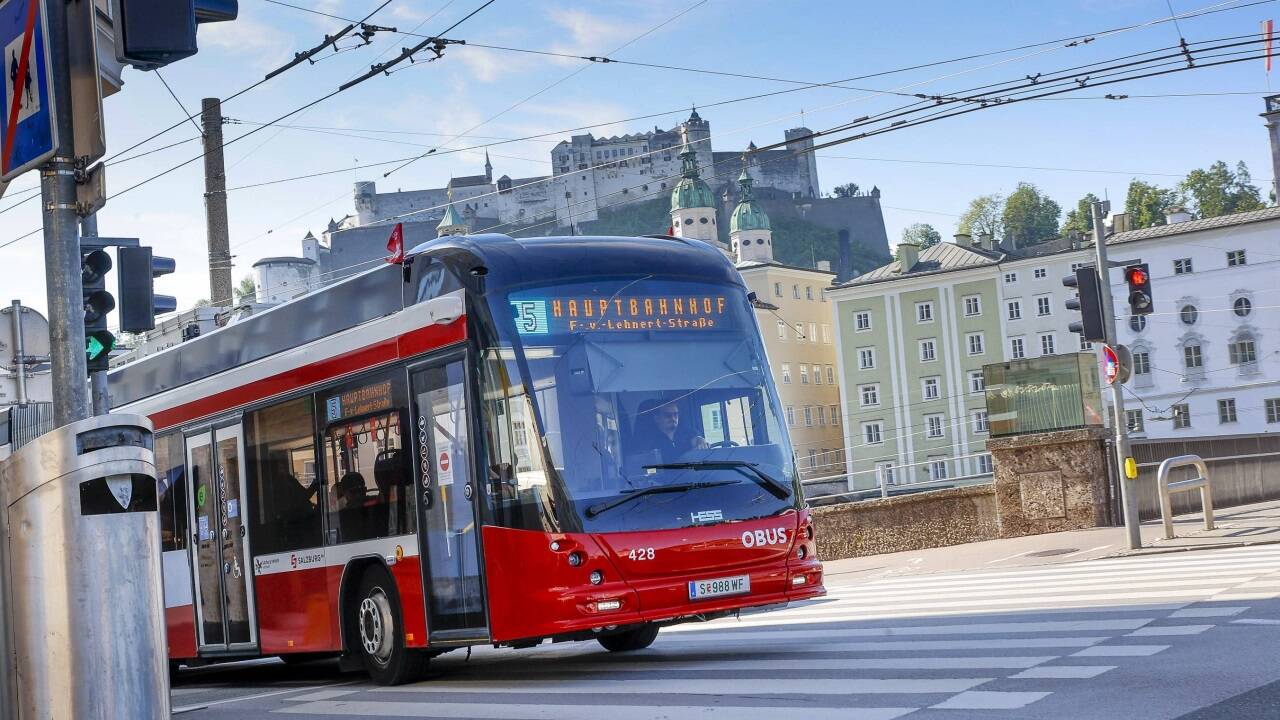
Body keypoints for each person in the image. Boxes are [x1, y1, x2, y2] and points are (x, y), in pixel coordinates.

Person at [632, 399, 708, 462]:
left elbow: (696, 439)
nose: (673, 418)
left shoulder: (686, 434)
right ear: (657, 418)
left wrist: (700, 440)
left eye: (676, 414)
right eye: (668, 415)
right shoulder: (649, 442)